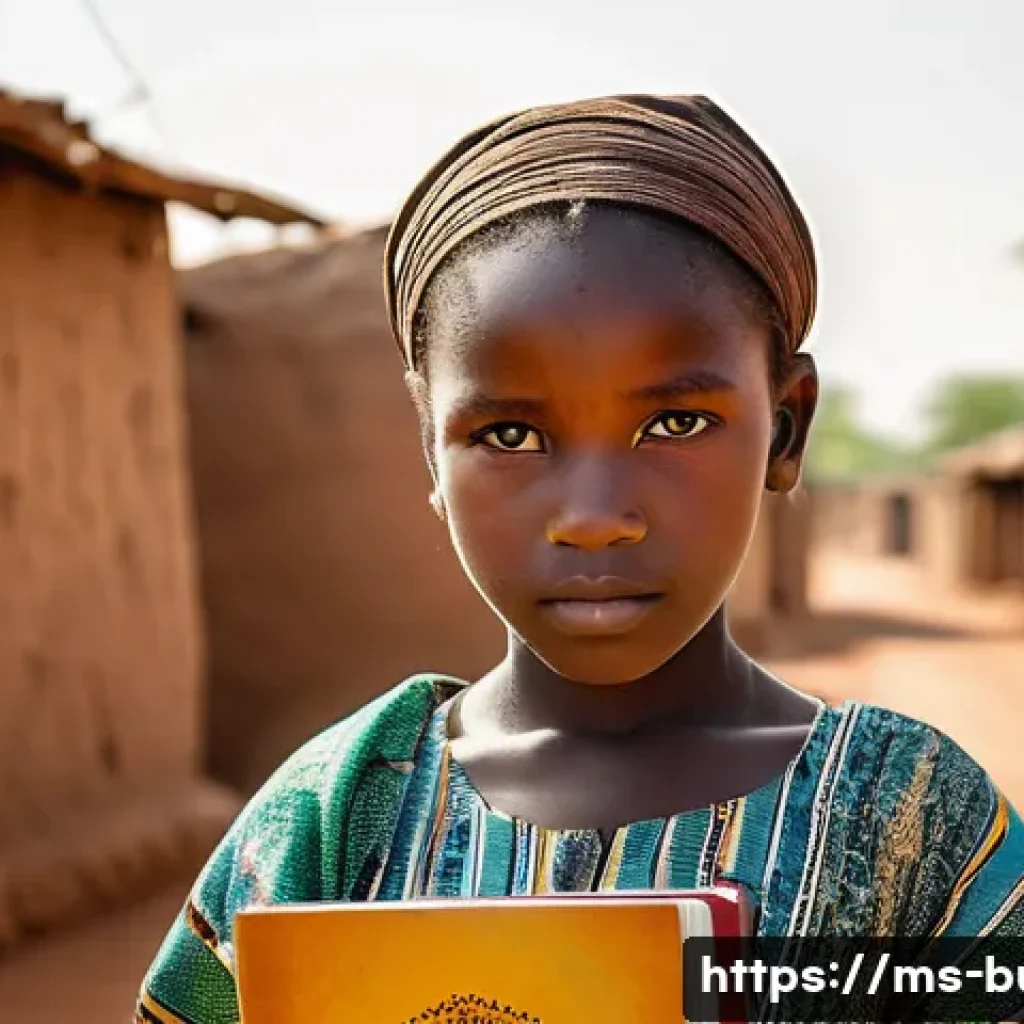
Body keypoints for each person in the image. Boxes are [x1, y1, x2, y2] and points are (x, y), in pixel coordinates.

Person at [136, 95, 1024, 1024]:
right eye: (510, 434)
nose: (595, 519)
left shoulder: (909, 818)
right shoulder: (336, 817)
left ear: (786, 428)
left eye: (675, 423)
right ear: (430, 452)